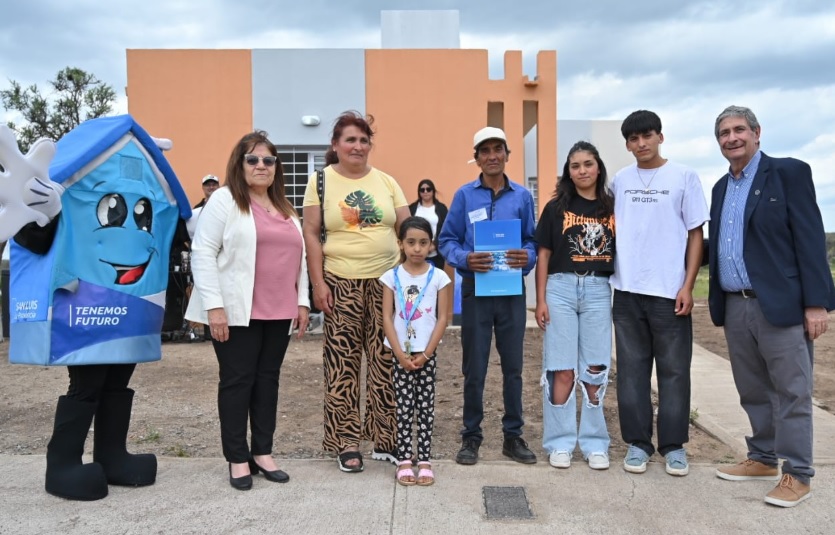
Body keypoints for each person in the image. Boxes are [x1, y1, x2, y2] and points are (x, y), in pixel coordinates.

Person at [708, 106, 835, 507]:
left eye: (739, 129)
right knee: (752, 389)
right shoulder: (720, 188)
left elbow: (810, 239)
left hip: (780, 305)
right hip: (735, 305)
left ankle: (798, 473)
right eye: (724, 133)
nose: (732, 138)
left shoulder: (788, 173)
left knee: (792, 391)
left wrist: (816, 304)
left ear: (756, 132)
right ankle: (763, 458)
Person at [186, 130, 310, 491]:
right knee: (237, 382)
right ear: (239, 164)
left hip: (279, 311)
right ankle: (237, 457)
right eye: (252, 159)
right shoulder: (224, 200)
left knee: (268, 382)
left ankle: (263, 452)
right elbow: (202, 253)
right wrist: (214, 307)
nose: (261, 165)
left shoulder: (285, 207)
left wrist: (302, 301)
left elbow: (299, 258)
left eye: (268, 160)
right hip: (236, 311)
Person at [302, 111, 410, 472]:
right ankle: (346, 442)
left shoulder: (387, 182)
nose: (358, 146)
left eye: (364, 140)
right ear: (335, 145)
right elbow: (311, 234)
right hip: (340, 283)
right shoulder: (320, 182)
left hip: (386, 285)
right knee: (342, 364)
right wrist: (318, 284)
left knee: (386, 361)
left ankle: (387, 438)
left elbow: (407, 228)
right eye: (350, 139)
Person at [610, 110, 709, 476]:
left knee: (674, 372)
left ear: (660, 137)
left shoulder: (684, 176)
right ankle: (638, 444)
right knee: (631, 373)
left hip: (669, 292)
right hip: (627, 291)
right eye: (634, 139)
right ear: (627, 144)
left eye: (647, 136)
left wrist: (687, 285)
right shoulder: (620, 180)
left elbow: (696, 233)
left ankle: (673, 446)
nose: (641, 144)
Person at [438, 126, 538, 466]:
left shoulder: (522, 196)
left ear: (507, 154)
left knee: (513, 367)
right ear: (476, 158)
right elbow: (446, 240)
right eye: (485, 150)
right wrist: (465, 258)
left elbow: (532, 239)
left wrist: (528, 256)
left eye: (498, 149)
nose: (492, 156)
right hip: (476, 290)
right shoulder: (464, 196)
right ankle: (471, 436)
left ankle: (513, 436)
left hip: (511, 290)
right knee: (475, 366)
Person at [534, 141, 615, 470]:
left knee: (595, 369)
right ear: (568, 171)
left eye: (588, 164)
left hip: (598, 289)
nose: (582, 170)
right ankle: (560, 442)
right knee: (561, 368)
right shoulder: (555, 208)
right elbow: (543, 255)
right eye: (575, 165)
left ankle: (595, 443)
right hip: (561, 289)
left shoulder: (612, 206)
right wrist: (540, 300)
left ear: (598, 167)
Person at [380, 216, 452, 486]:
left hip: (426, 354)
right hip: (401, 355)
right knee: (403, 407)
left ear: (431, 244)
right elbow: (387, 318)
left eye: (423, 242)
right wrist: (400, 354)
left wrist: (426, 354)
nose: (417, 248)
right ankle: (403, 460)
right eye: (411, 242)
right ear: (400, 243)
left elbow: (443, 318)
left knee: (425, 407)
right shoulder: (391, 277)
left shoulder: (439, 277)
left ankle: (424, 460)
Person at [408, 179, 448, 269]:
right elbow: (406, 227)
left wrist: (434, 245)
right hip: (415, 251)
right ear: (419, 192)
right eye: (422, 190)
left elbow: (446, 229)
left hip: (435, 253)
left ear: (433, 191)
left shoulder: (441, 209)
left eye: (428, 189)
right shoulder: (412, 208)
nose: (425, 192)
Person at [185, 174, 220, 239]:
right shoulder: (196, 209)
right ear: (203, 187)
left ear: (219, 187)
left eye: (214, 185)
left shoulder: (224, 205)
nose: (211, 187)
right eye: (208, 185)